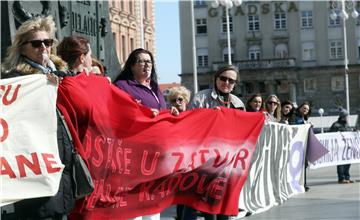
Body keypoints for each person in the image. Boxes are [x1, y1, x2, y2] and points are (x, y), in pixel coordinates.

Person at [1, 15, 76, 219]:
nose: (44, 47)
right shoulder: (15, 80)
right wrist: (42, 85)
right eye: (36, 43)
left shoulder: (64, 74)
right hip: (35, 169)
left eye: (48, 42)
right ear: (22, 47)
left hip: (62, 162)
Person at [185, 65, 245, 220]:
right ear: (216, 79)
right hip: (203, 159)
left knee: (223, 205)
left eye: (231, 80)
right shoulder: (201, 98)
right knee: (205, 206)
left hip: (227, 161)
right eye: (223, 78)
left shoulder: (238, 103)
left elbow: (243, 132)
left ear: (235, 84)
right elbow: (189, 124)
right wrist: (209, 116)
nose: (226, 82)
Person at [114, 48, 170, 118]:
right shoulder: (122, 86)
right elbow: (117, 111)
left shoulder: (155, 87)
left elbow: (162, 109)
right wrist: (142, 112)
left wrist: (170, 112)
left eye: (149, 62)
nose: (147, 65)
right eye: (142, 61)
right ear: (132, 66)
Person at [329, 108, 355, 184]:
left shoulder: (347, 124)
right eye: (346, 116)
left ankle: (347, 177)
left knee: (348, 162)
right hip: (340, 148)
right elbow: (330, 134)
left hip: (348, 148)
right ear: (343, 116)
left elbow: (350, 133)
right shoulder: (336, 125)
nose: (347, 118)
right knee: (341, 163)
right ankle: (341, 178)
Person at [291, 101, 312, 191]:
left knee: (304, 165)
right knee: (298, 165)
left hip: (304, 145)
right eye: (304, 108)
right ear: (299, 108)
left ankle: (303, 183)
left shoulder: (305, 118)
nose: (305, 110)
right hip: (297, 144)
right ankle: (300, 183)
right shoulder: (296, 117)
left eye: (307, 109)